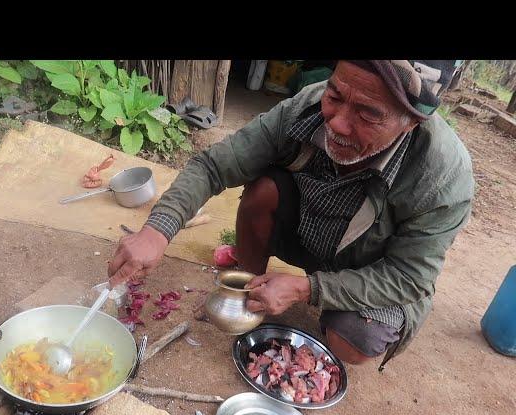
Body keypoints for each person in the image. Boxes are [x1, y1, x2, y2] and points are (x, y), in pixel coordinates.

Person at [107, 60, 474, 370]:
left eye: (367, 115)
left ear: (410, 122)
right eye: (335, 95)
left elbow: (409, 277)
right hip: (309, 235)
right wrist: (158, 229)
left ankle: (323, 303)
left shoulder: (442, 176)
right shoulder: (306, 108)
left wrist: (309, 289)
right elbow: (213, 166)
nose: (337, 123)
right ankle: (248, 288)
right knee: (263, 188)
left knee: (354, 339)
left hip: (372, 269)